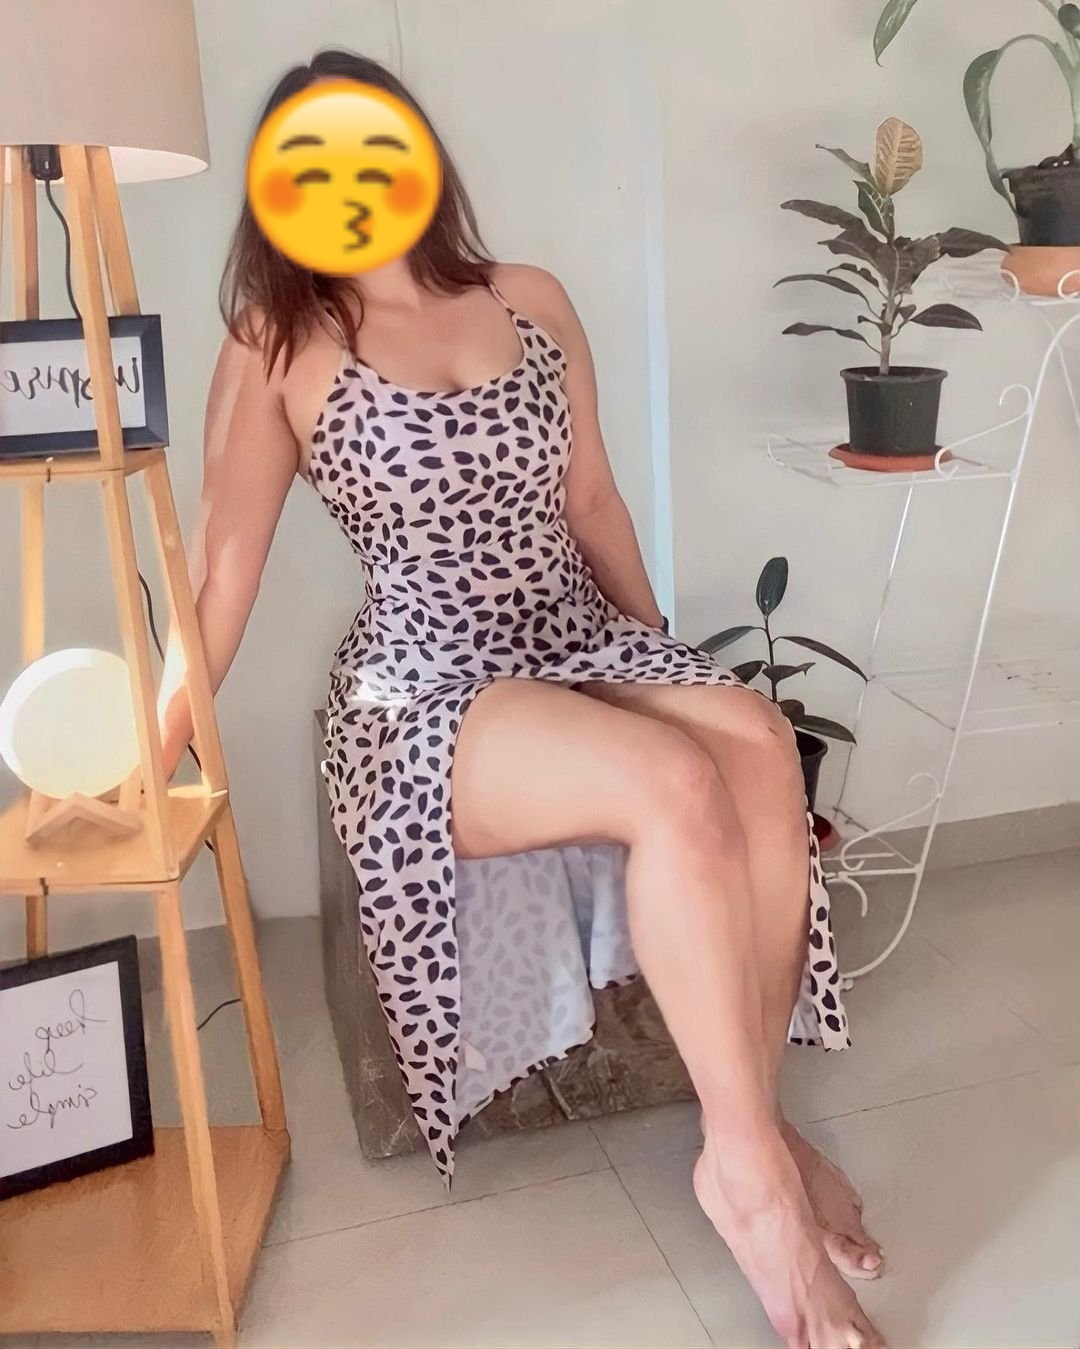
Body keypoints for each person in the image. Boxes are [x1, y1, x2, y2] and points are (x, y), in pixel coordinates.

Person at [159, 47, 885, 1349]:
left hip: (570, 628)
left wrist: (666, 663)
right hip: (425, 675)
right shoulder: (280, 340)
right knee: (671, 783)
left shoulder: (529, 296)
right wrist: (147, 755)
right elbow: (222, 571)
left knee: (757, 743)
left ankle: (757, 1121)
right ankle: (751, 1187)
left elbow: (591, 499)